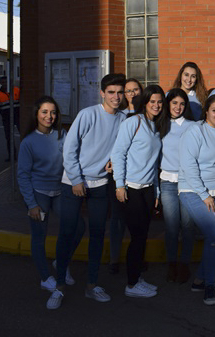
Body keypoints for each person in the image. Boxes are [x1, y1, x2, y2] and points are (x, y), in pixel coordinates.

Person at [47, 73, 127, 310]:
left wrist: (114, 160)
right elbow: (69, 150)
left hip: (100, 184)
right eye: (111, 92)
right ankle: (59, 286)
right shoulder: (87, 114)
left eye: (119, 92)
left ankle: (92, 285)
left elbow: (123, 147)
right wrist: (76, 179)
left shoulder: (124, 118)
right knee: (67, 233)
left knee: (97, 235)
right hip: (74, 183)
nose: (116, 96)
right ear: (102, 93)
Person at [17, 96, 83, 292]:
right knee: (39, 237)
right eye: (44, 112)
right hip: (39, 195)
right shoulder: (28, 142)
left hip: (60, 191)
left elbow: (75, 157)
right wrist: (31, 205)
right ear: (37, 114)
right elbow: (22, 175)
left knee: (78, 227)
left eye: (53, 112)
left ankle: (61, 262)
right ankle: (45, 278)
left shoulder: (63, 135)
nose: (49, 116)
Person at [110, 85, 167, 299]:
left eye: (160, 102)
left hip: (148, 190)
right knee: (137, 237)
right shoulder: (133, 122)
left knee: (142, 237)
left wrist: (158, 192)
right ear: (144, 102)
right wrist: (119, 185)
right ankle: (131, 284)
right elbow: (118, 153)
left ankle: (136, 278)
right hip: (131, 190)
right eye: (152, 101)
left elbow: (154, 164)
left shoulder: (156, 125)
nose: (156, 105)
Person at [178, 95, 215, 306]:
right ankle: (209, 285)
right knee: (214, 236)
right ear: (206, 112)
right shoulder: (195, 131)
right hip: (193, 191)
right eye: (214, 110)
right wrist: (204, 195)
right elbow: (188, 165)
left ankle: (200, 279)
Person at [160, 88, 196, 284]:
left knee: (188, 227)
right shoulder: (160, 124)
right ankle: (172, 264)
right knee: (172, 227)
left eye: (182, 104)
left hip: (188, 183)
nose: (178, 107)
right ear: (168, 104)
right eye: (174, 103)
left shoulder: (193, 126)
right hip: (167, 183)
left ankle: (184, 264)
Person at [109, 78, 142, 273]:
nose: (132, 94)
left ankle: (137, 258)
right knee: (118, 219)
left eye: (135, 90)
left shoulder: (147, 115)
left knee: (138, 222)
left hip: (140, 177)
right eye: (128, 91)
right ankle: (114, 259)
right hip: (120, 176)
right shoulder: (119, 116)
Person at [0, 77, 20, 161]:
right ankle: (12, 156)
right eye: (3, 82)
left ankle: (26, 154)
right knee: (9, 138)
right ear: (1, 83)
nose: (5, 83)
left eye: (6, 82)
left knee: (24, 136)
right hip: (7, 118)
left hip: (18, 116)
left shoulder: (16, 90)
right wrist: (5, 115)